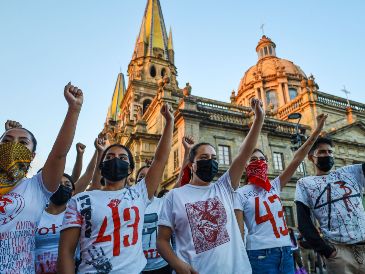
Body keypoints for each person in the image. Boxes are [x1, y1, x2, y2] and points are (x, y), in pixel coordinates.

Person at [58, 103, 174, 274]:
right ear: (102, 166)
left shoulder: (139, 193)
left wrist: (169, 122)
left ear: (129, 169)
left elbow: (160, 159)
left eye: (122, 157)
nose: (116, 159)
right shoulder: (80, 200)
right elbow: (66, 253)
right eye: (110, 156)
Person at [157, 99, 265, 274]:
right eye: (204, 158)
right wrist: (177, 264)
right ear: (191, 165)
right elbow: (162, 240)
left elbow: (245, 152)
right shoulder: (174, 196)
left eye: (214, 158)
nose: (210, 162)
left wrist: (259, 117)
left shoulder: (223, 187)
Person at [0, 82, 83, 274]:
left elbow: (59, 155)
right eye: (7, 141)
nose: (13, 146)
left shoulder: (36, 188)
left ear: (33, 155)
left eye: (23, 142)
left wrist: (74, 109)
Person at [234, 114, 327, 274]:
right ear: (245, 166)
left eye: (262, 159)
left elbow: (297, 158)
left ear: (267, 164)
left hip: (285, 250)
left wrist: (317, 130)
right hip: (259, 255)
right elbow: (239, 232)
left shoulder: (274, 186)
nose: (258, 162)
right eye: (253, 159)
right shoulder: (239, 193)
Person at [295, 136, 365, 274]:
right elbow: (304, 223)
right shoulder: (305, 183)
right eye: (322, 152)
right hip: (338, 253)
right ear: (311, 157)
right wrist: (327, 251)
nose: (327, 155)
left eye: (330, 152)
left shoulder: (351, 172)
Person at [136, 165, 172, 274]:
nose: (146, 179)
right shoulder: (128, 204)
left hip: (162, 265)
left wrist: (187, 152)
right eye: (141, 176)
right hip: (137, 268)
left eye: (149, 176)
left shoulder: (162, 202)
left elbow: (180, 182)